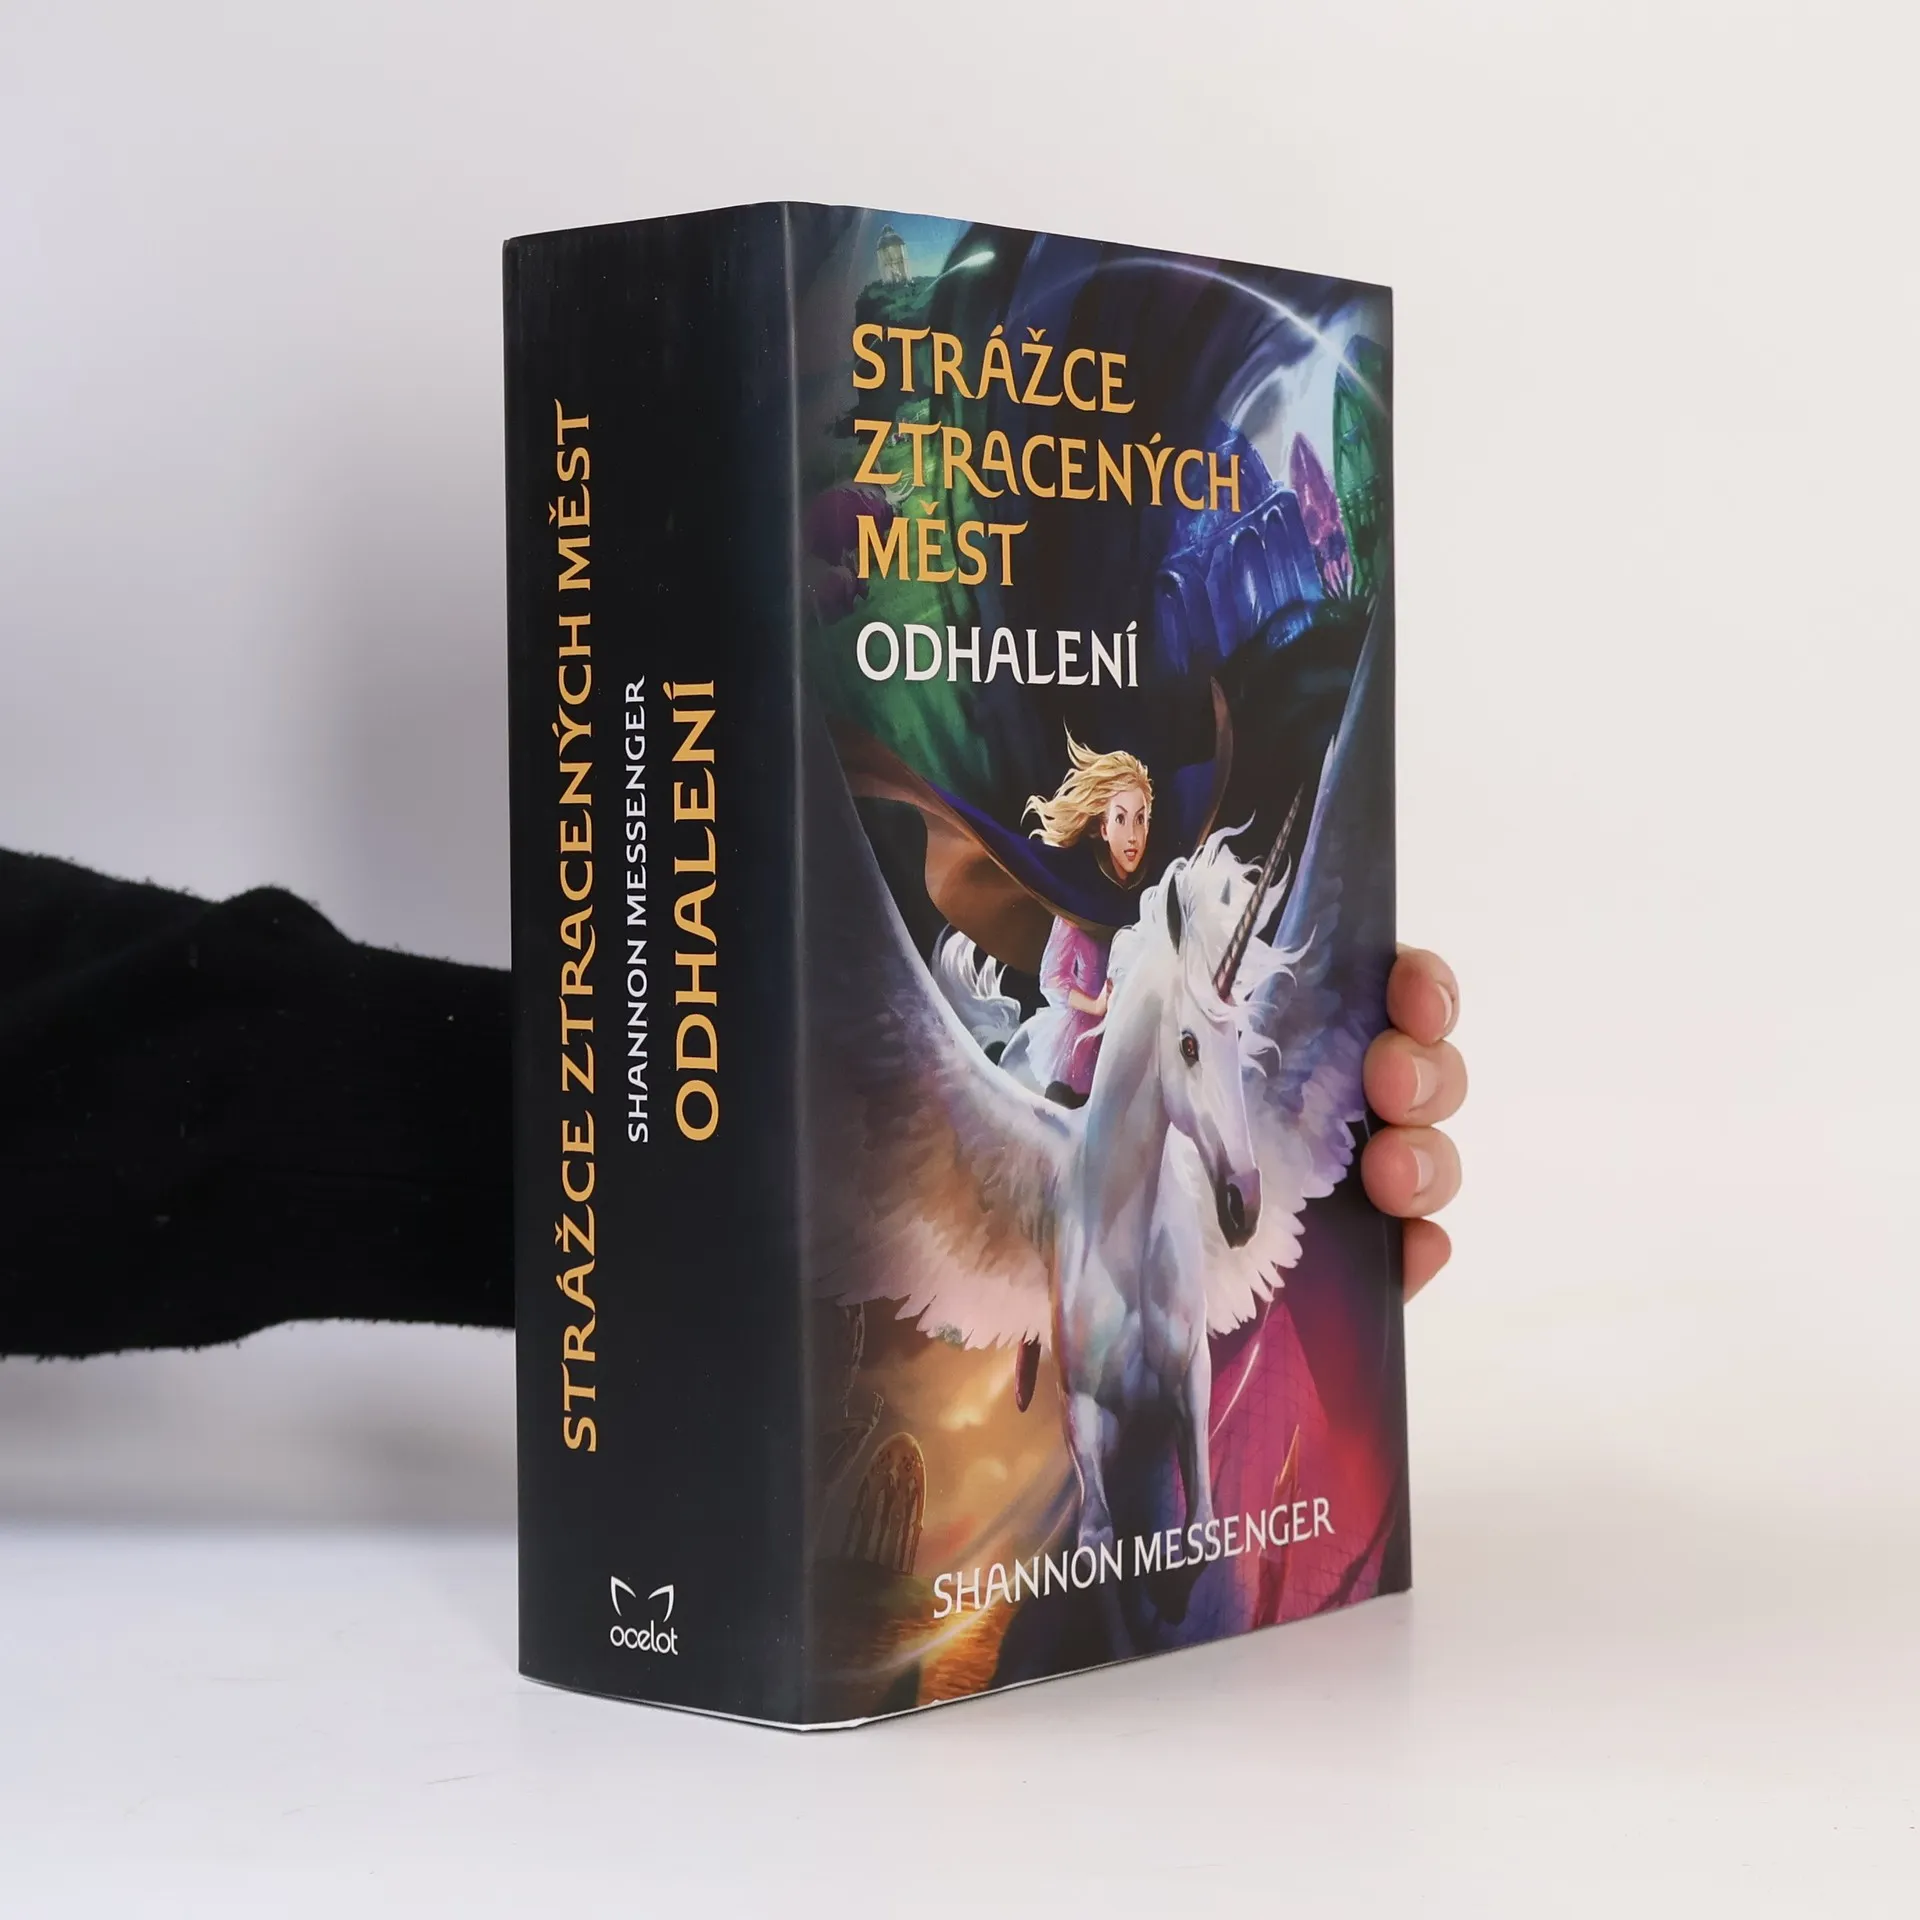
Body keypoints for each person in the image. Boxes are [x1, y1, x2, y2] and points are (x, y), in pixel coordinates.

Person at [1018, 733, 1155, 1107]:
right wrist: (1095, 1005)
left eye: (1141, 819)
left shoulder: (1150, 898)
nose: (1133, 836)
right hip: (1082, 1051)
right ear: (1103, 827)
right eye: (1121, 819)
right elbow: (1051, 978)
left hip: (1134, 1044)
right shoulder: (1080, 902)